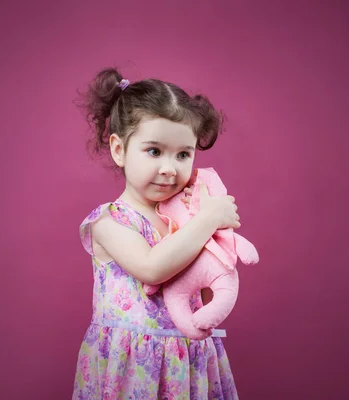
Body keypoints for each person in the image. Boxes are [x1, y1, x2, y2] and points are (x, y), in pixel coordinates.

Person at [72, 67, 241, 399]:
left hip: (187, 361)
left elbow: (203, 288)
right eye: (154, 151)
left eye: (183, 154)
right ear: (119, 150)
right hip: (133, 366)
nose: (170, 168)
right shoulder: (109, 223)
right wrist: (207, 220)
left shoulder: (185, 219)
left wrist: (217, 241)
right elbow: (152, 267)